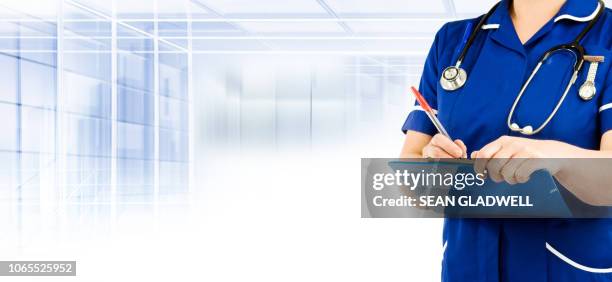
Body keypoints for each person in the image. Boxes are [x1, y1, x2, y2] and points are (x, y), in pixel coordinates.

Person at [399, 0, 612, 280]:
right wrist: (433, 170)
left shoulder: (605, 35)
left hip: (567, 270)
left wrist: (554, 158)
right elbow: (409, 176)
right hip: (466, 266)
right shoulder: (453, 41)